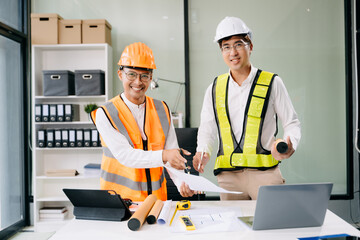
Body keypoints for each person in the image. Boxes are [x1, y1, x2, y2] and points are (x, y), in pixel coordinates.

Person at [192, 17, 301, 200]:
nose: (232, 52)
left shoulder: (272, 83)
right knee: (234, 228)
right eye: (226, 47)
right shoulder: (214, 88)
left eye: (238, 44)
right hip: (228, 179)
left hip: (266, 175)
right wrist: (203, 151)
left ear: (250, 46)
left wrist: (290, 143)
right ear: (221, 52)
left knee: (272, 227)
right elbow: (207, 129)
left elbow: (292, 123)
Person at [91, 42, 195, 201]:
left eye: (144, 75)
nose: (138, 82)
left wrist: (182, 183)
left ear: (150, 77)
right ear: (120, 75)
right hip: (120, 203)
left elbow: (171, 154)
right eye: (131, 74)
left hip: (157, 203)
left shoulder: (162, 109)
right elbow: (126, 156)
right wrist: (165, 155)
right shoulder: (105, 113)